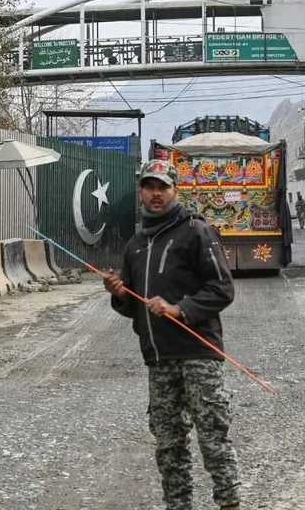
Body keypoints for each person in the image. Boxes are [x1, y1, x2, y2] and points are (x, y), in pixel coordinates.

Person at [102, 159, 241, 510]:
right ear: (141, 192)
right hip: (159, 360)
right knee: (168, 445)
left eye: (163, 187)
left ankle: (230, 504)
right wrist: (119, 293)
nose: (156, 194)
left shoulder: (196, 231)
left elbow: (222, 288)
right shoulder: (135, 244)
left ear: (175, 190)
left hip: (199, 355)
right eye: (150, 187)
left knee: (213, 441)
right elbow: (134, 303)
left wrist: (180, 309)